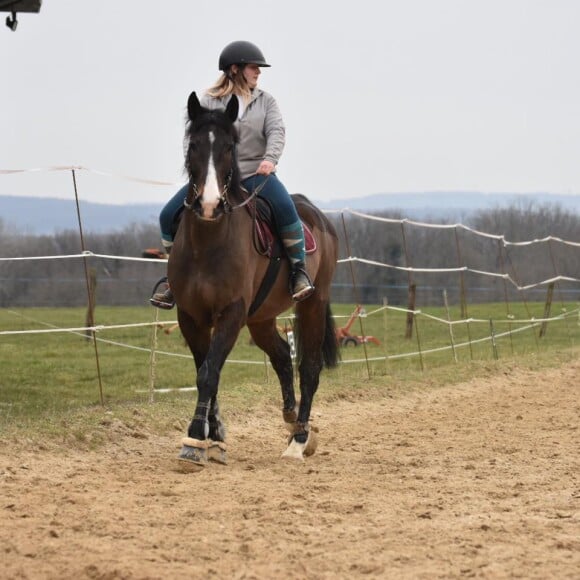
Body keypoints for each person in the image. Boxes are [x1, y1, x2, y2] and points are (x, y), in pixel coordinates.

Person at [150, 40, 314, 309]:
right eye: (254, 68)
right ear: (235, 69)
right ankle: (173, 280)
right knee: (168, 215)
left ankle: (298, 272)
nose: (258, 73)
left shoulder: (266, 102)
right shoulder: (208, 101)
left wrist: (270, 160)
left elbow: (277, 132)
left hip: (254, 173)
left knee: (286, 208)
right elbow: (193, 139)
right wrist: (199, 172)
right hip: (213, 177)